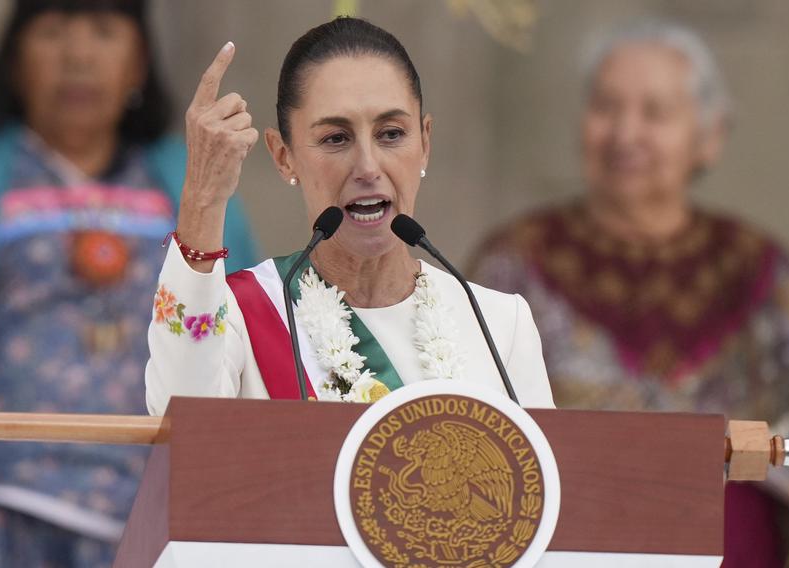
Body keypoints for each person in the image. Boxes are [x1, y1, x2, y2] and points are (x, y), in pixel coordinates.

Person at [469, 19, 789, 566]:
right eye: (605, 107)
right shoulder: (515, 262)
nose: (625, 133)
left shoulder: (762, 270)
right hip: (565, 547)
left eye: (655, 113)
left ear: (709, 135)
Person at [0, 1, 258, 566]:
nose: (78, 56)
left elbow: (243, 337)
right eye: (54, 31)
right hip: (0, 508)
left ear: (139, 64)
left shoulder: (192, 178)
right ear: (13, 58)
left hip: (157, 516)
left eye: (105, 32)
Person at [145, 17, 554, 420]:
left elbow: (546, 478)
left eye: (391, 133)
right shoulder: (242, 313)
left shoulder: (500, 323)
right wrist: (203, 197)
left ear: (425, 143)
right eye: (335, 138)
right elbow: (177, 418)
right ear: (283, 156)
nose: (367, 166)